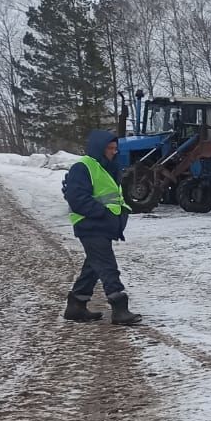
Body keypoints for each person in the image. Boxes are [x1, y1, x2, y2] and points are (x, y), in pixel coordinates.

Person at [62, 129, 142, 324]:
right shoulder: (82, 167)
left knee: (93, 265)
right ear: (99, 148)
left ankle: (76, 306)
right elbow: (77, 198)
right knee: (107, 266)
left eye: (115, 148)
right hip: (90, 225)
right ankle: (119, 308)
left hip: (102, 225)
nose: (114, 152)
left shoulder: (108, 167)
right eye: (110, 148)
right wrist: (103, 214)